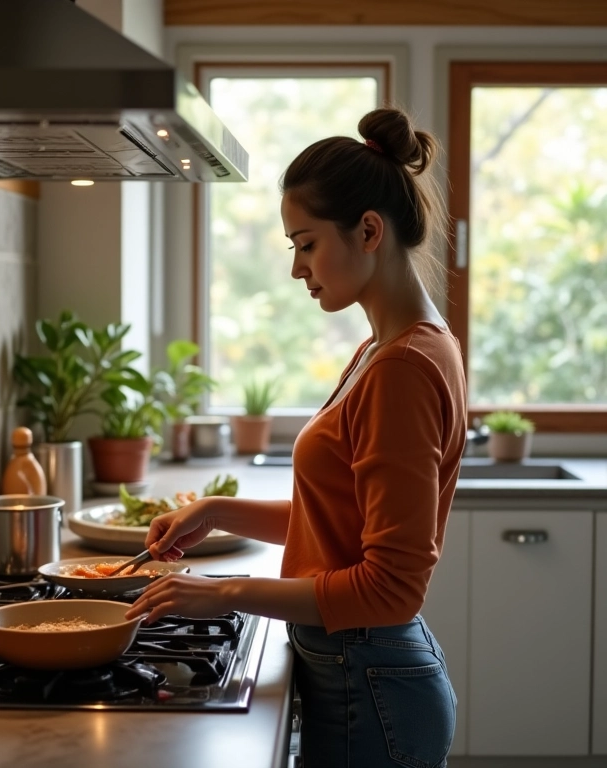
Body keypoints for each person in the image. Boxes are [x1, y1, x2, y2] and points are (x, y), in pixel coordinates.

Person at [124, 107, 467, 768]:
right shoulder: (388, 349)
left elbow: (390, 588)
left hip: (369, 684)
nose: (296, 268)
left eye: (306, 243)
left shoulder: (401, 367)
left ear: (369, 230)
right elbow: (339, 525)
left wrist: (219, 592)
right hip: (362, 673)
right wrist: (220, 512)